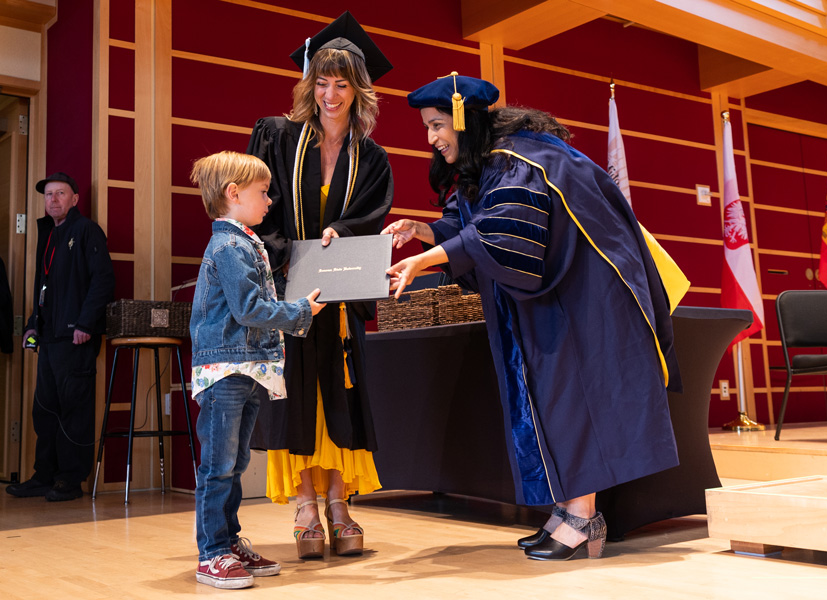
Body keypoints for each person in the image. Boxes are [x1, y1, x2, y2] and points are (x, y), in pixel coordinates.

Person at [382, 74, 681, 561]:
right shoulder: (498, 160)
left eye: (438, 125)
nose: (432, 138)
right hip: (552, 299)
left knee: (574, 400)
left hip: (582, 300)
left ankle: (584, 519)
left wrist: (428, 259)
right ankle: (567, 512)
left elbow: (506, 231)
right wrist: (424, 231)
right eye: (428, 127)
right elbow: (480, 220)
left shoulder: (520, 160)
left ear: (465, 119)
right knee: (550, 399)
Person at [246, 11, 393, 558]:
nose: (331, 94)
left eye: (342, 84)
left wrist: (342, 230)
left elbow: (371, 217)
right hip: (288, 294)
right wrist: (293, 258)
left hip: (340, 300)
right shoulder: (277, 136)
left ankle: (340, 504)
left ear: (359, 90)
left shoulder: (371, 158)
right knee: (295, 398)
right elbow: (259, 210)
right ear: (310, 85)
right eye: (322, 82)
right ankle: (307, 507)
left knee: (340, 397)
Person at [189, 151, 325, 589]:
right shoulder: (229, 246)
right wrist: (300, 310)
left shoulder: (245, 241)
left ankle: (228, 542)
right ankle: (211, 553)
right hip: (225, 369)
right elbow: (249, 309)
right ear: (233, 194)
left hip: (246, 368)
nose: (270, 201)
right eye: (263, 192)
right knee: (218, 466)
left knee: (235, 461)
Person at [5, 172, 115, 502]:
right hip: (50, 336)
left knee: (74, 409)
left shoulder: (86, 231)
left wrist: (85, 323)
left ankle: (70, 479)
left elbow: (103, 281)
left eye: (60, 194)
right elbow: (44, 287)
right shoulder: (50, 235)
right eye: (48, 195)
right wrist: (32, 326)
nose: (53, 200)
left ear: (75, 198)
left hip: (76, 337)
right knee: (46, 410)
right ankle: (45, 475)